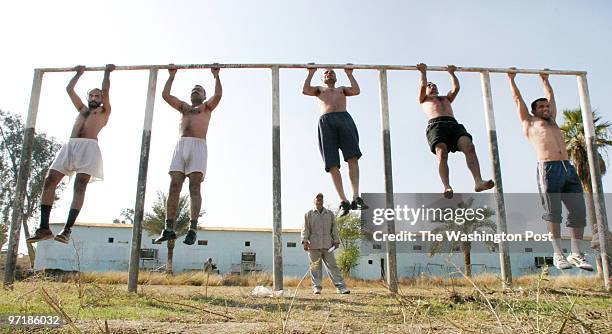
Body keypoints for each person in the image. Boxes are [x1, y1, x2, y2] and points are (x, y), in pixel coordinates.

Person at [507, 69, 592, 271]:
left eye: (547, 106)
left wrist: (545, 80)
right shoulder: (529, 122)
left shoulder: (552, 120)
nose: (546, 108)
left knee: (579, 211)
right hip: (548, 169)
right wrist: (511, 79)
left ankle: (576, 254)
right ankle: (557, 254)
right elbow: (517, 99)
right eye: (542, 106)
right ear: (534, 110)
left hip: (568, 168)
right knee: (554, 213)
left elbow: (552, 97)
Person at [27, 64, 116, 244]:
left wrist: (107, 72)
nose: (94, 97)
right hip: (70, 146)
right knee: (49, 181)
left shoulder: (104, 111)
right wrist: (78, 73)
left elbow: (106, 90)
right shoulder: (82, 110)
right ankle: (44, 228)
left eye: (97, 95)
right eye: (91, 95)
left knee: (80, 185)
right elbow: (69, 89)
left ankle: (67, 230)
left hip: (89, 147)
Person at [154, 64, 222, 245]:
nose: (195, 91)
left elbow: (219, 96)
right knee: (174, 185)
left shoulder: (206, 107)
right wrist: (171, 75)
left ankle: (192, 229)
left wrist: (216, 76)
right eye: (193, 90)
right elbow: (165, 95)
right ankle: (169, 228)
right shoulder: (183, 107)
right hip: (181, 146)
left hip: (198, 146)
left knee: (194, 187)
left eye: (199, 90)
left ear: (204, 95)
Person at [417, 63, 494, 199]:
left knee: (469, 147)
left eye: (433, 85)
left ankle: (478, 181)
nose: (432, 86)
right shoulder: (424, 99)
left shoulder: (446, 98)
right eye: (429, 85)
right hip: (436, 125)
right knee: (442, 153)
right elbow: (422, 86)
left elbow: (456, 88)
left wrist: (452, 73)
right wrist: (423, 72)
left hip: (453, 124)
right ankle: (447, 186)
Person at [303, 65, 368, 216]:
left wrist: (349, 73)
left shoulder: (342, 89)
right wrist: (311, 73)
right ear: (323, 78)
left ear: (336, 77)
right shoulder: (319, 89)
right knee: (332, 163)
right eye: (326, 72)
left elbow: (356, 90)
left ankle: (356, 196)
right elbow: (306, 90)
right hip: (326, 122)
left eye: (332, 72)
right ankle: (343, 200)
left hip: (344, 118)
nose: (329, 73)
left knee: (352, 157)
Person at [301, 193, 350, 294]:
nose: (319, 199)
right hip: (313, 245)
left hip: (328, 245)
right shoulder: (308, 214)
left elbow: (334, 229)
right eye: (317, 198)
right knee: (315, 267)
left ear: (323, 201)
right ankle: (317, 287)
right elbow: (305, 229)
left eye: (321, 198)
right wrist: (305, 241)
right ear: (314, 200)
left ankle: (341, 287)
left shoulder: (330, 214)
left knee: (333, 266)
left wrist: (336, 240)